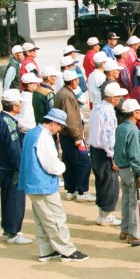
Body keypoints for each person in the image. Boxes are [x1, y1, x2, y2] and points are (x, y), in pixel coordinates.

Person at [18, 109, 89, 263]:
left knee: (42, 219)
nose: (60, 129)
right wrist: (62, 168)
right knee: (56, 218)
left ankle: (46, 250)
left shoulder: (32, 133)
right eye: (60, 126)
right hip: (43, 183)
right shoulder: (44, 137)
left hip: (32, 182)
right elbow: (50, 164)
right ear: (53, 123)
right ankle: (67, 251)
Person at [0, 90, 30, 245]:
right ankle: (13, 231)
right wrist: (22, 168)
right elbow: (14, 149)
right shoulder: (10, 123)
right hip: (12, 168)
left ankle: (8, 229)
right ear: (14, 106)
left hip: (2, 166)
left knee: (6, 198)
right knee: (15, 200)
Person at [115, 99, 140, 247]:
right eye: (138, 111)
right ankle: (135, 234)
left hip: (123, 168)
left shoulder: (120, 128)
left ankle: (125, 230)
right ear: (134, 113)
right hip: (132, 169)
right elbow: (135, 155)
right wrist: (139, 173)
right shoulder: (134, 130)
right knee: (137, 202)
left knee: (126, 200)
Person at [54, 70, 94, 203]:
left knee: (69, 162)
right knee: (84, 163)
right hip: (71, 135)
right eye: (77, 80)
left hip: (65, 134)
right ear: (73, 81)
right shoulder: (67, 96)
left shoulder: (62, 93)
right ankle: (82, 191)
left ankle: (71, 190)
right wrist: (77, 137)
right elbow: (71, 118)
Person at [88, 83, 124, 226]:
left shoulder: (97, 108)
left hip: (95, 150)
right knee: (110, 184)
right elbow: (108, 136)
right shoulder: (108, 112)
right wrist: (113, 156)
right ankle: (107, 215)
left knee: (101, 182)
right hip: (105, 151)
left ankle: (102, 214)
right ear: (113, 98)